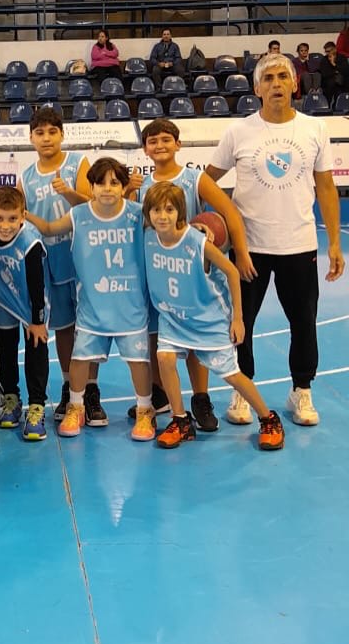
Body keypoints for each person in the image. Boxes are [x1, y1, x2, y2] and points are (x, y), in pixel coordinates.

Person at [205, 52, 344, 426]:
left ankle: (302, 390)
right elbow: (206, 180)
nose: (276, 83)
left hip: (299, 245)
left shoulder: (314, 129)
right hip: (248, 248)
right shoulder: (238, 132)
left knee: (304, 322)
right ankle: (242, 389)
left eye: (283, 76)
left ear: (295, 84)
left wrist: (333, 242)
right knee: (242, 323)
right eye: (268, 79)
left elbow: (326, 188)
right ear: (257, 89)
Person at [125, 117, 253, 432]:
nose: (159, 145)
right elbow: (132, 223)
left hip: (193, 276)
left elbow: (229, 212)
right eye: (153, 141)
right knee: (157, 336)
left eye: (166, 139)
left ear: (178, 144)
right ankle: (161, 395)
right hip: (158, 272)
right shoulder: (142, 186)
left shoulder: (195, 178)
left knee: (195, 341)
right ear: (145, 149)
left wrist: (241, 251)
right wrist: (128, 191)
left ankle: (200, 398)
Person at [142, 182, 285, 451]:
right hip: (173, 317)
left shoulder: (196, 242)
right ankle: (180, 420)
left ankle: (268, 418)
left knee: (231, 374)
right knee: (165, 358)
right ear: (148, 213)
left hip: (208, 320)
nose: (162, 216)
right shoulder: (148, 237)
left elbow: (231, 272)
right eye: (156, 210)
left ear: (180, 212)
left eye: (169, 210)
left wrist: (238, 318)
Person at [26, 159, 154, 441]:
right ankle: (76, 406)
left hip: (130, 306)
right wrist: (23, 214)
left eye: (114, 183)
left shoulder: (138, 214)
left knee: (138, 362)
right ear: (91, 187)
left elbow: (166, 228)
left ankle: (145, 410)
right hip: (93, 306)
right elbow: (48, 229)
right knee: (80, 358)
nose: (107, 188)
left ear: (123, 187)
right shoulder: (79, 214)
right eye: (100, 183)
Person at [17, 107, 100, 423]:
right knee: (64, 328)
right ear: (31, 138)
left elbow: (94, 206)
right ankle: (69, 386)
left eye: (52, 132)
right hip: (47, 259)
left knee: (87, 326)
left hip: (80, 254)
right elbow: (21, 220)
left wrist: (69, 192)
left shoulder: (78, 163)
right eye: (40, 133)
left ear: (62, 135)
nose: (46, 138)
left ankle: (91, 389)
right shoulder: (26, 176)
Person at [0, 186, 49, 441]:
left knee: (35, 347)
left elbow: (37, 284)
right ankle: (11, 398)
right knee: (6, 348)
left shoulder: (30, 242)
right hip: (4, 297)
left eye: (12, 219)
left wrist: (37, 321)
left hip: (32, 301)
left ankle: (37, 406)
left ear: (23, 216)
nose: (5, 225)